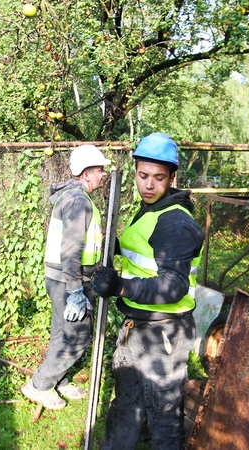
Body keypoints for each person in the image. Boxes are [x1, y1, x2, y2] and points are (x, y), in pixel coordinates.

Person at [93, 133, 205, 450]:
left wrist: (120, 286)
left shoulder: (175, 223)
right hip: (136, 326)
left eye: (158, 177)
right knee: (125, 403)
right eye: (143, 176)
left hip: (164, 335)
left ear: (172, 177)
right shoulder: (150, 210)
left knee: (164, 420)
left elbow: (174, 285)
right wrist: (113, 248)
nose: (149, 185)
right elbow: (143, 254)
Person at [21, 145, 111, 410]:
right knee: (78, 337)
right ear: (85, 174)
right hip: (69, 281)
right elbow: (71, 251)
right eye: (99, 170)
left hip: (62, 279)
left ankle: (58, 381)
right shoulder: (78, 201)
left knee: (62, 333)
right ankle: (39, 385)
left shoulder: (73, 196)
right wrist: (75, 291)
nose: (103, 174)